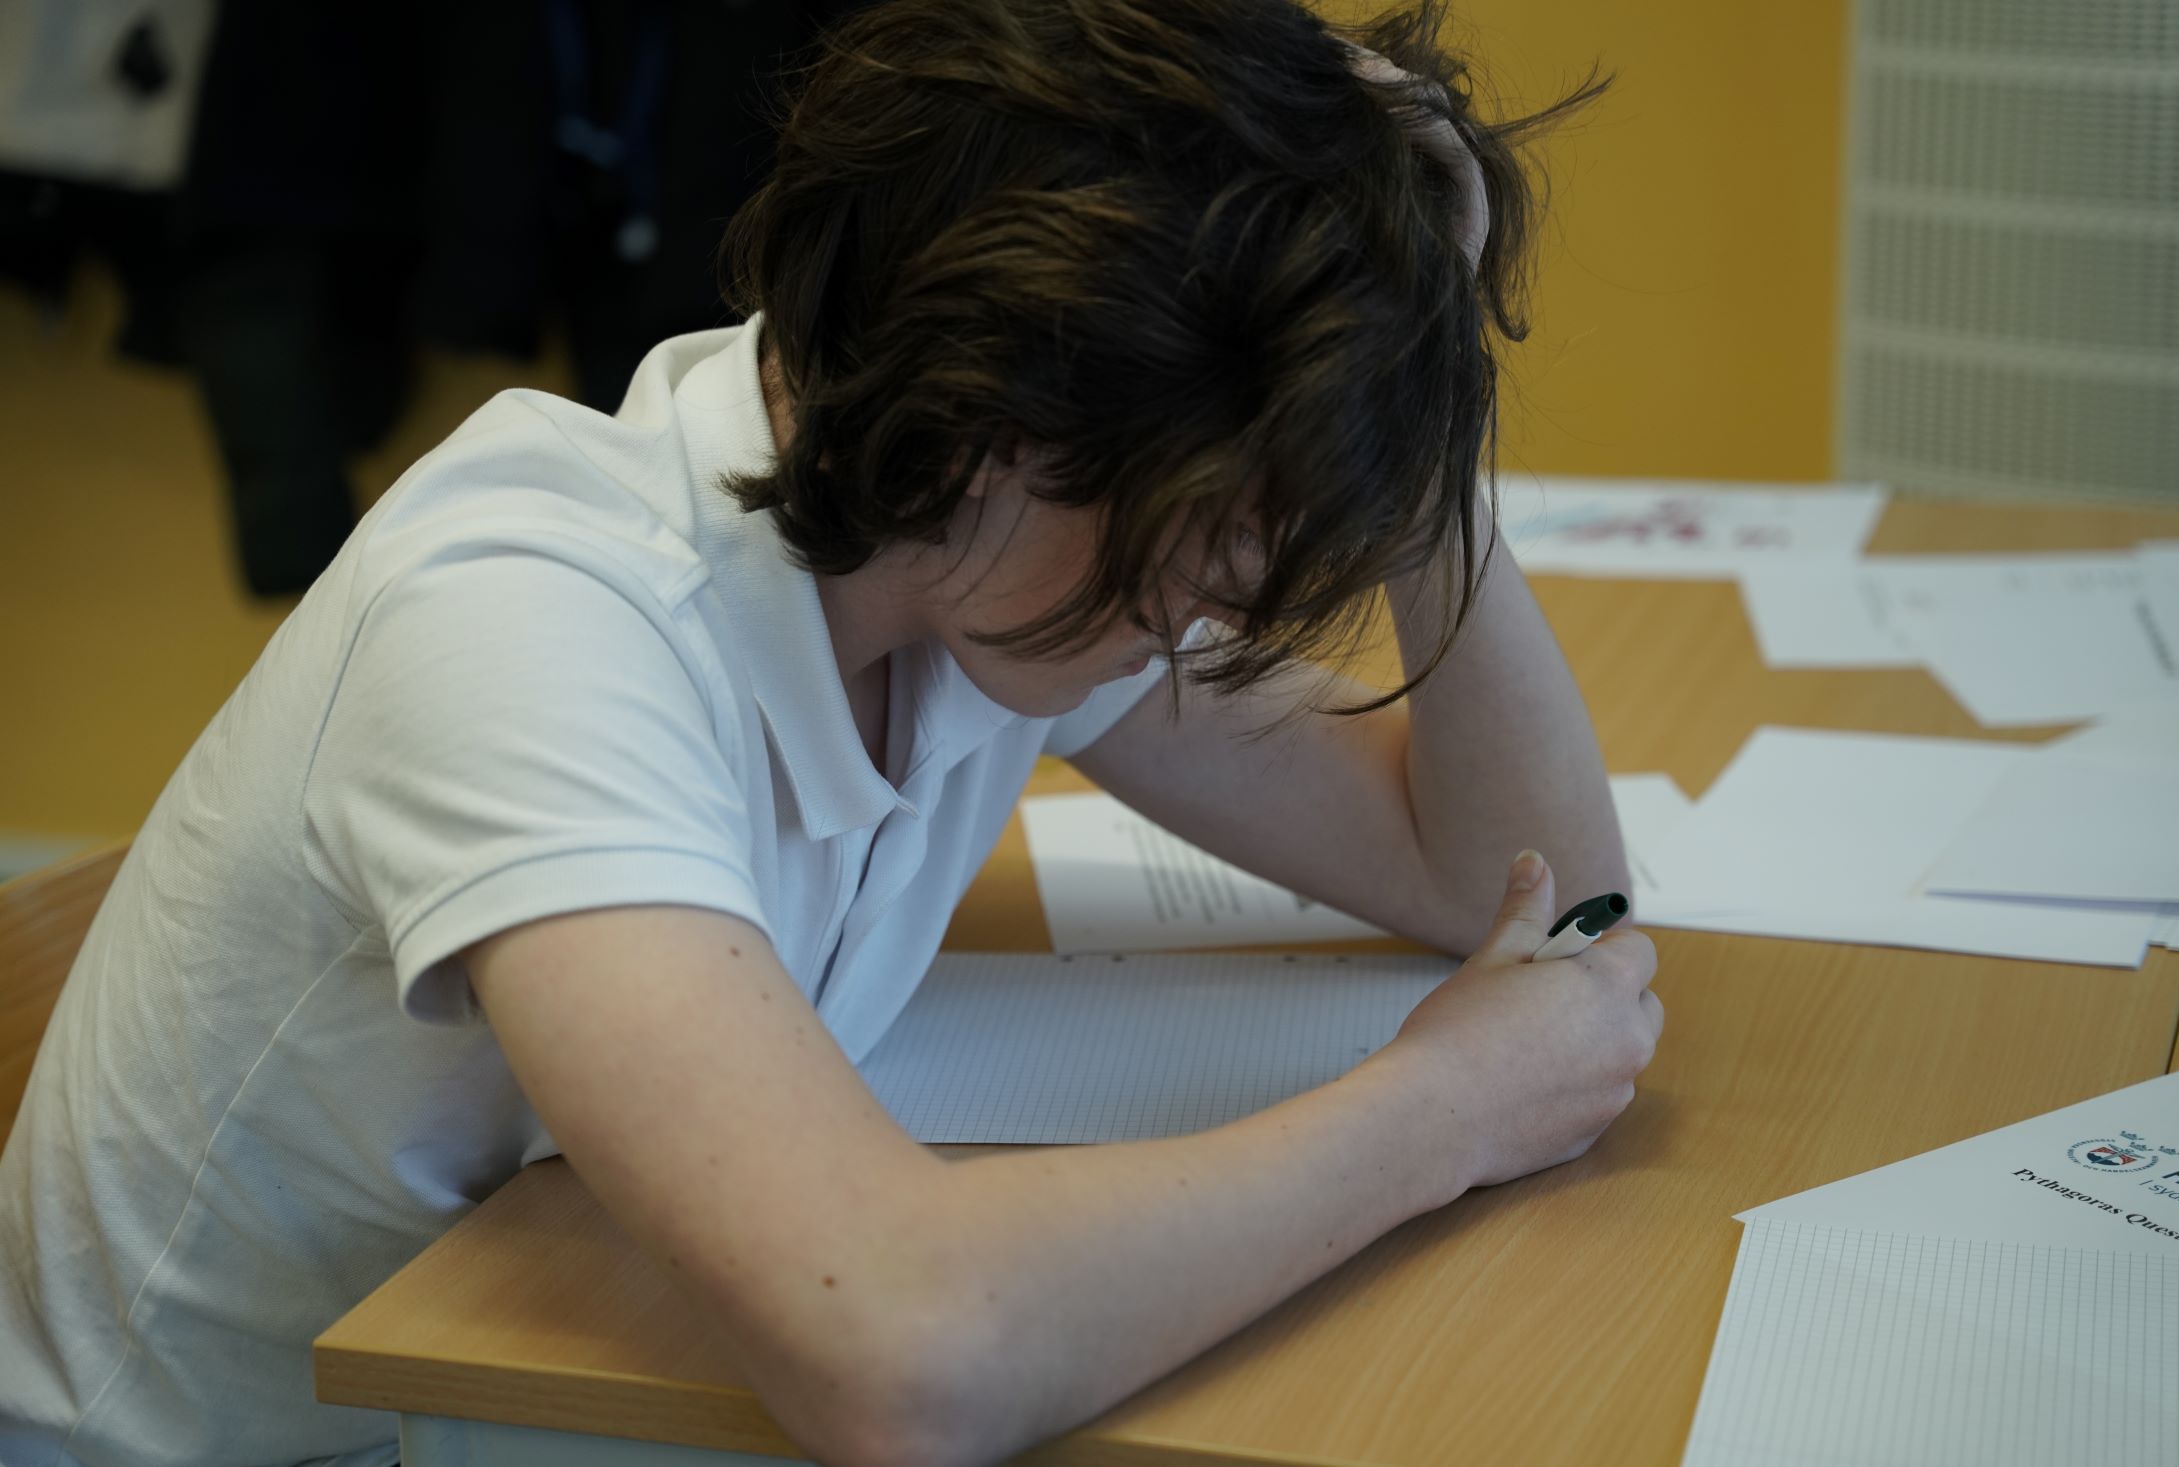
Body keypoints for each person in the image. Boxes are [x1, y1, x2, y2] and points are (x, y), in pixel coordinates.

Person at [0, 1, 1660, 1463]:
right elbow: (904, 1357)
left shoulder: (983, 570)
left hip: (519, 1392)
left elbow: (1521, 892)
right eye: (1217, 515)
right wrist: (1441, 1111)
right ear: (993, 411)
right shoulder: (531, 619)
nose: (1238, 582)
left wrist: (1410, 384)